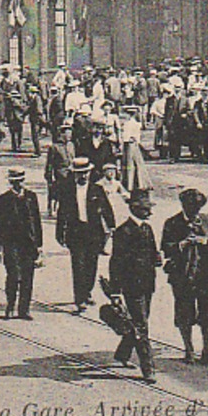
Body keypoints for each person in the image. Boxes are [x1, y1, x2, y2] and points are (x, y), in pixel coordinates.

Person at [160, 188, 208, 364]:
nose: (195, 212)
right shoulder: (172, 223)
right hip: (182, 275)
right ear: (184, 206)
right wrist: (183, 244)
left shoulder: (205, 219)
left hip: (205, 275)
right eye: (192, 208)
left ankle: (207, 350)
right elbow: (165, 248)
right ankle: (188, 350)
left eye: (198, 208)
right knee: (184, 313)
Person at [107, 188, 162, 381]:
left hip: (147, 284)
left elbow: (154, 253)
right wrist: (115, 291)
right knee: (141, 326)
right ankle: (148, 368)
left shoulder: (147, 228)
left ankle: (122, 354)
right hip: (132, 286)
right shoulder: (124, 232)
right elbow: (115, 262)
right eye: (145, 209)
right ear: (134, 208)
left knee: (140, 322)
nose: (149, 212)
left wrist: (157, 259)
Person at [58, 157, 108, 313]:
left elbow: (106, 209)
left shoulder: (96, 189)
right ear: (74, 174)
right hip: (76, 232)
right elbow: (62, 212)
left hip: (94, 233)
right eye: (80, 173)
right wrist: (60, 232)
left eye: (85, 173)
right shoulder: (68, 190)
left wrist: (112, 227)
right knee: (78, 266)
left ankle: (87, 292)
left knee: (91, 265)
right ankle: (79, 299)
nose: (83, 176)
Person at [0, 168, 43, 319]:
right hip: (10, 243)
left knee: (28, 277)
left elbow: (37, 222)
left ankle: (24, 309)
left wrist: (39, 245)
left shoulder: (31, 197)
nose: (18, 185)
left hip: (28, 243)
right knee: (13, 275)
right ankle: (10, 305)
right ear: (10, 182)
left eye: (20, 181)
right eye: (15, 182)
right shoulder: (3, 199)